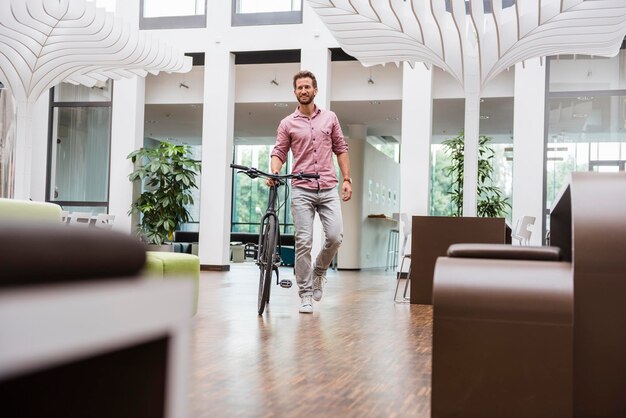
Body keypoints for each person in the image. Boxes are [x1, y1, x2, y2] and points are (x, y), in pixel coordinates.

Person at [269, 70, 352, 314]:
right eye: (299, 87)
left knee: (336, 237)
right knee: (303, 242)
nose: (304, 90)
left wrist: (347, 178)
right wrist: (275, 171)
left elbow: (341, 148)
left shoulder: (330, 118)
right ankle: (305, 294)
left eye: (307, 87)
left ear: (315, 90)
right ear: (295, 92)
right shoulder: (287, 123)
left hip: (327, 187)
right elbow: (279, 152)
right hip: (301, 188)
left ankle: (319, 271)